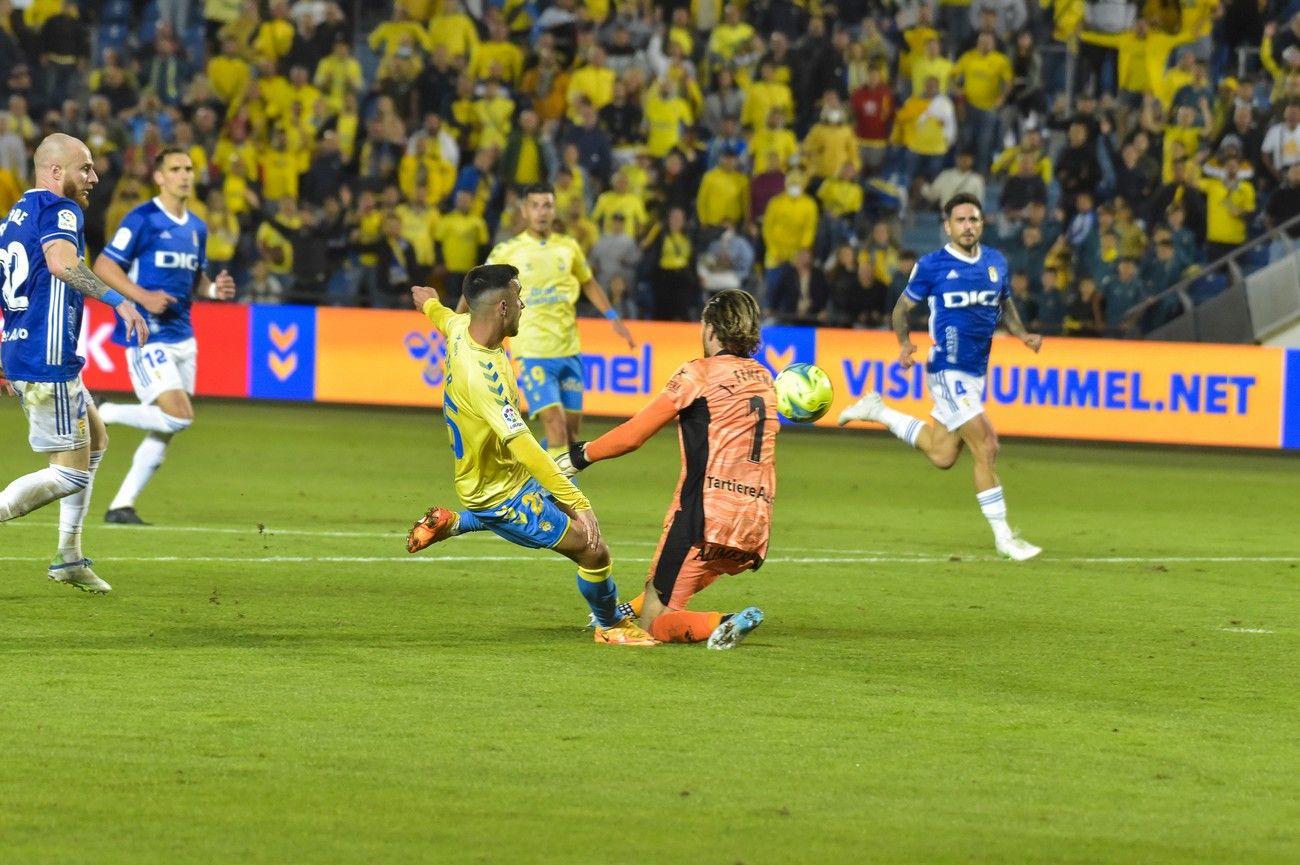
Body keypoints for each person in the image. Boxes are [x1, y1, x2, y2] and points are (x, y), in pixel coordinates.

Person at [404, 265, 654, 647]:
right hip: (500, 494)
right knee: (594, 550)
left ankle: (451, 523)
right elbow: (523, 447)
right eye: (519, 296)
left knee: (566, 474)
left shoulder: (463, 331)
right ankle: (610, 627)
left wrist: (430, 303)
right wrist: (579, 503)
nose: (524, 303)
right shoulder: (482, 378)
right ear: (503, 307)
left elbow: (446, 318)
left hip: (499, 475)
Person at [555, 289, 771, 650]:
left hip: (705, 517)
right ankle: (633, 605)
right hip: (754, 521)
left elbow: (635, 434)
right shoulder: (764, 379)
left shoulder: (698, 373)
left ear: (711, 328)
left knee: (653, 626)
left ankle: (726, 622)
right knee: (668, 583)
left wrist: (580, 455)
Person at [837, 193, 1043, 561]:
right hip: (946, 370)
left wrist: (1022, 333)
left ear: (982, 224)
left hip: (975, 374)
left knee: (943, 453)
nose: (968, 226)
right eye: (960, 220)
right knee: (988, 445)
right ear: (947, 226)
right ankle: (1004, 537)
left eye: (974, 219)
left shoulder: (996, 262)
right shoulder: (932, 266)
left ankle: (877, 410)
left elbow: (1006, 303)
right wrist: (904, 343)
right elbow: (902, 307)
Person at [0, 133, 150, 592]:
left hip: (28, 351)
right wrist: (118, 301)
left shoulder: (13, 217)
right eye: (85, 168)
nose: (94, 177)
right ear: (56, 171)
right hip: (47, 358)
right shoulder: (59, 209)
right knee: (69, 472)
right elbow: (64, 264)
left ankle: (68, 557)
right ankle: (66, 556)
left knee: (97, 438)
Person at [92, 147, 237, 525]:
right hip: (146, 334)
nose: (185, 175)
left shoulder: (197, 227)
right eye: (176, 169)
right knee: (179, 417)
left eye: (189, 168)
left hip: (184, 336)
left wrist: (211, 291)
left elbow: (195, 277)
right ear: (159, 177)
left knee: (166, 429)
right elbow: (104, 265)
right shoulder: (141, 219)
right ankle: (102, 411)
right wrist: (142, 297)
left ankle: (121, 505)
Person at [469, 182, 633, 460]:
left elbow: (588, 282)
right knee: (555, 428)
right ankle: (565, 501)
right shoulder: (508, 250)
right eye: (535, 205)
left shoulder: (568, 247)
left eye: (547, 205)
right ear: (524, 209)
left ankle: (527, 475)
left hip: (568, 350)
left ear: (554, 209)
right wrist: (456, 323)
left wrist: (613, 317)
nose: (541, 212)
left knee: (568, 437)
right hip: (532, 353)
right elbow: (475, 283)